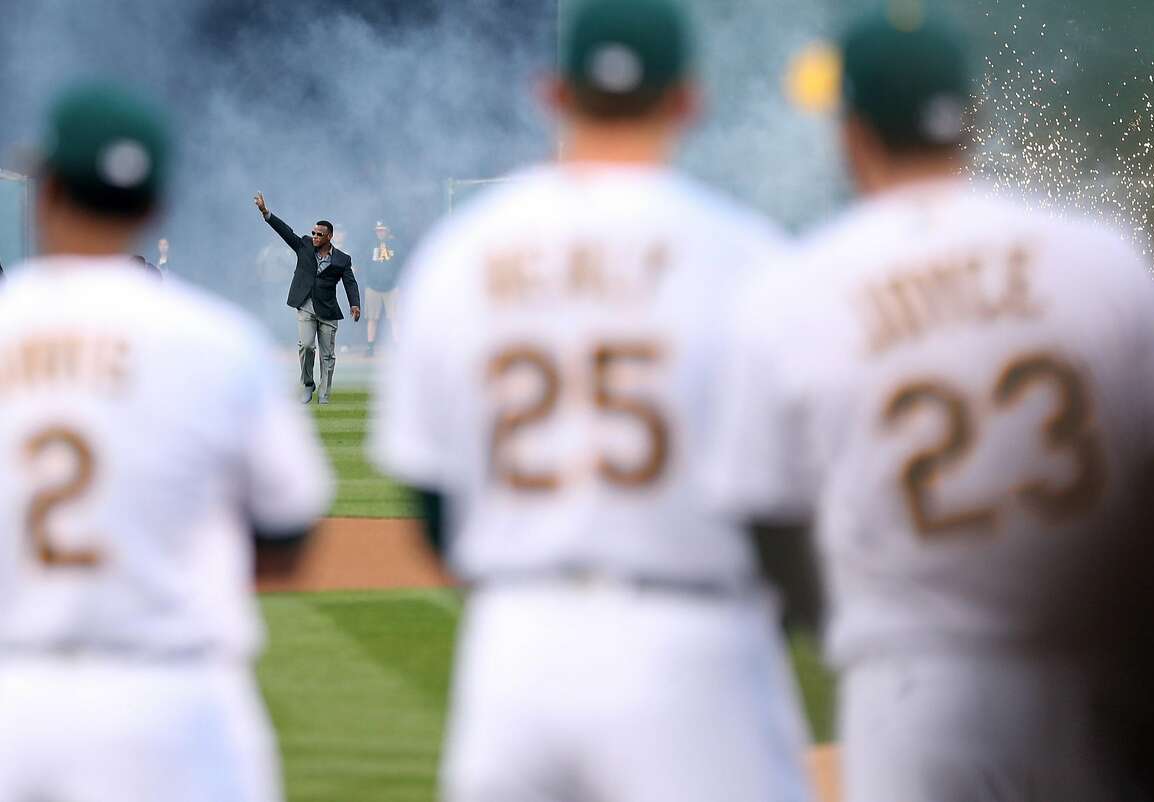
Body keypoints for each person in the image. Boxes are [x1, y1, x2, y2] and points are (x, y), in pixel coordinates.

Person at [706, 10, 1154, 802]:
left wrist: (851, 620)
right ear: (971, 118)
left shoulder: (795, 292)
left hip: (912, 686)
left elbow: (769, 535)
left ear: (853, 133)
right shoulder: (1101, 256)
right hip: (1090, 669)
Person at [368, 1, 813, 800]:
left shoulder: (462, 253)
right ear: (687, 99)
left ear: (552, 92)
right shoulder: (749, 256)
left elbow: (434, 507)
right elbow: (793, 510)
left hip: (517, 647)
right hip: (693, 636)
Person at [0, 81, 333, 802]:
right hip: (174, 698)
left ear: (45, 192)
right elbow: (287, 534)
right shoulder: (216, 342)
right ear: (154, 208)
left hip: (15, 698)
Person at [253, 192, 360, 405]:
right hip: (306, 304)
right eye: (313, 233)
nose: (315, 236)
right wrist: (266, 213)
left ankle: (325, 392)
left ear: (329, 236)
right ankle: (308, 384)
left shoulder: (342, 259)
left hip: (328, 309)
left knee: (328, 355)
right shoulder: (304, 245)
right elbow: (286, 232)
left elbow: (350, 282)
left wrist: (355, 304)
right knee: (306, 346)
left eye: (319, 234)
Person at [364, 220, 402, 356]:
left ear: (388, 231)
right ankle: (370, 347)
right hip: (373, 287)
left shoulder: (396, 245)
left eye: (382, 230)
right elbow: (365, 265)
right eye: (378, 230)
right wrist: (367, 283)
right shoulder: (370, 245)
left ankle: (397, 346)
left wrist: (398, 285)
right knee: (371, 318)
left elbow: (401, 265)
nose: (380, 232)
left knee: (395, 318)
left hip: (392, 288)